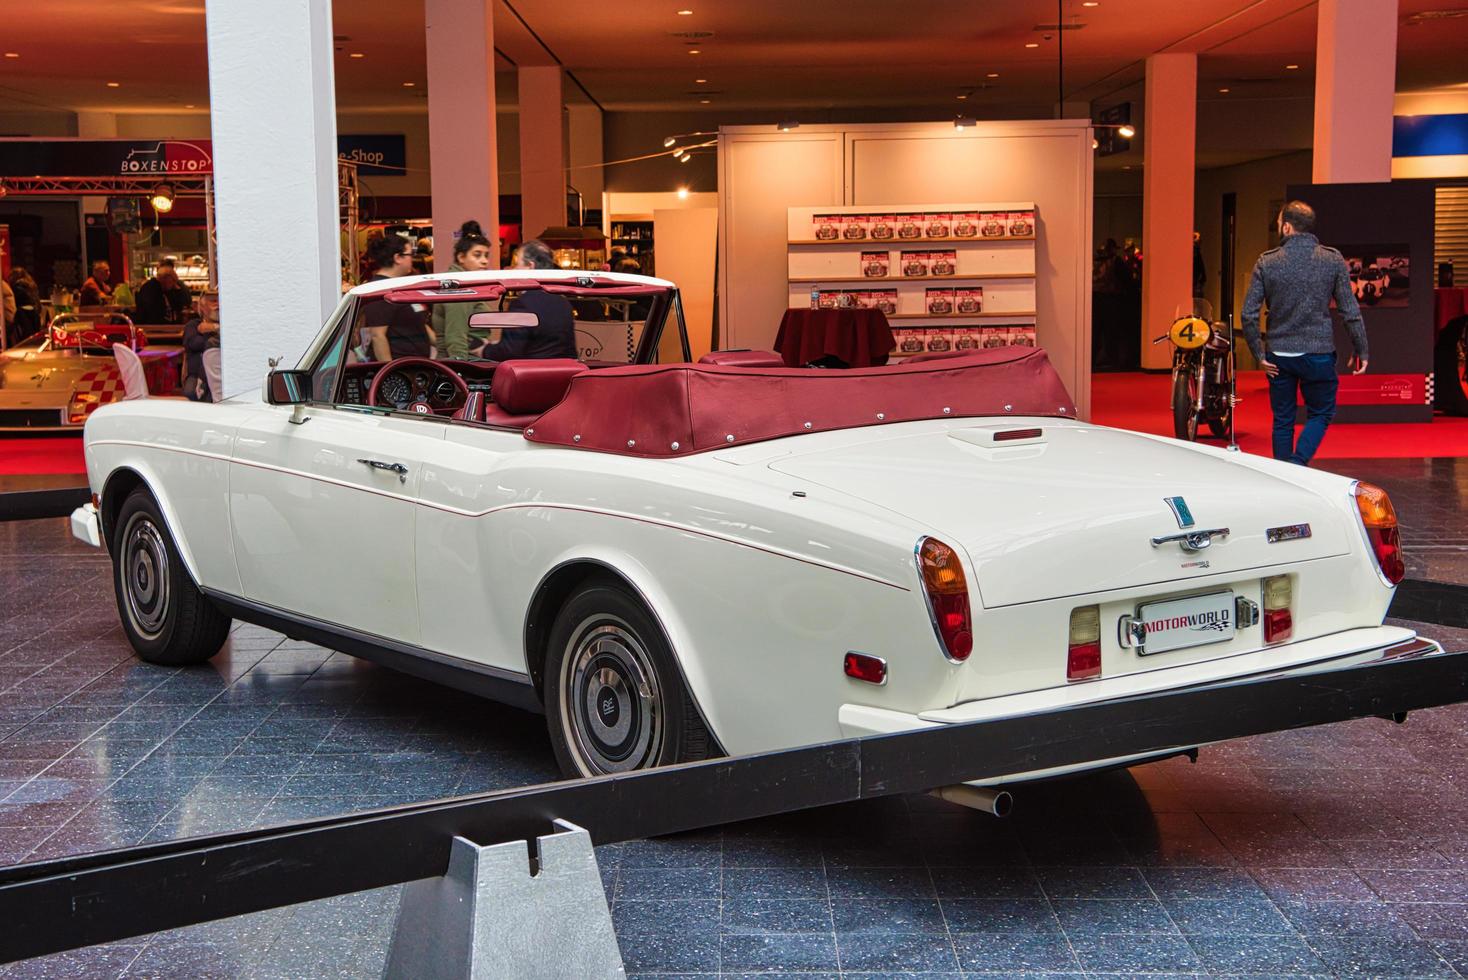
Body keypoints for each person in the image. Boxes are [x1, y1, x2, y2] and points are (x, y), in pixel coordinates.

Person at [1242, 199, 1369, 466]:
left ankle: (1285, 473)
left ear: (1286, 227)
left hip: (1279, 354)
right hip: (1318, 352)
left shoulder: (1267, 262)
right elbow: (1350, 310)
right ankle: (1298, 464)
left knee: (1283, 419)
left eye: (1278, 223)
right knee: (1321, 413)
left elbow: (1248, 314)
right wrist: (1361, 348)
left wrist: (1258, 353)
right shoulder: (1332, 259)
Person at [476, 239, 577, 361]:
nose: (512, 270)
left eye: (516, 264)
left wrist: (484, 350)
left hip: (530, 376)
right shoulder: (563, 303)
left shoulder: (522, 304)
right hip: (561, 375)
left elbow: (509, 351)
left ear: (530, 266)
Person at [362, 234, 431, 361]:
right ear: (398, 258)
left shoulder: (400, 284)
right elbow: (378, 336)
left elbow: (417, 323)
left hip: (415, 365)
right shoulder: (379, 289)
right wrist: (388, 373)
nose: (412, 259)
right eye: (410, 255)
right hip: (398, 369)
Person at [432, 221, 494, 360]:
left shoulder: (463, 283)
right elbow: (456, 335)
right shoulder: (458, 287)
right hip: (462, 363)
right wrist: (460, 369)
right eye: (477, 255)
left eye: (486, 255)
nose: (485, 261)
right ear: (461, 257)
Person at [182, 289, 222, 401]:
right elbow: (193, 344)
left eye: (220, 301)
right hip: (197, 375)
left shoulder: (226, 325)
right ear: (202, 307)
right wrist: (215, 334)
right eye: (213, 301)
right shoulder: (193, 325)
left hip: (221, 372)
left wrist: (215, 328)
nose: (218, 305)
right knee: (191, 392)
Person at [134, 259, 193, 324]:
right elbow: (155, 315)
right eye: (172, 281)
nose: (173, 284)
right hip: (151, 328)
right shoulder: (150, 289)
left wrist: (177, 290)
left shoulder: (168, 290)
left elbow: (181, 305)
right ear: (165, 278)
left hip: (165, 327)